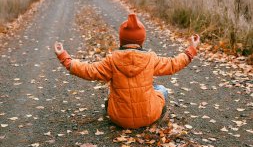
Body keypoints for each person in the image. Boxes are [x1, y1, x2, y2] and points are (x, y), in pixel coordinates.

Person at [54, 13, 200, 129]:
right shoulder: (150, 58)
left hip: (119, 120)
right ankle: (158, 116)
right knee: (161, 89)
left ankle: (117, 111)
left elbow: (88, 70)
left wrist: (64, 58)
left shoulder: (111, 61)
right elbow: (174, 64)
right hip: (149, 115)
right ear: (141, 41)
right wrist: (191, 49)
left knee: (112, 94)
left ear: (121, 40)